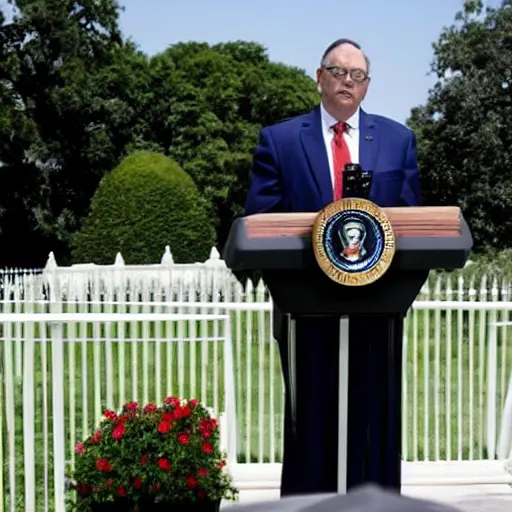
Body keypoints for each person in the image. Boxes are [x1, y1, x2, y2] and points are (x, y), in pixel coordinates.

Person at [244, 39, 421, 496]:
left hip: (377, 312)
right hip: (307, 311)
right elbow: (259, 222)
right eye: (338, 71)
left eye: (358, 75)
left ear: (367, 86)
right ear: (319, 77)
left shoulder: (398, 140)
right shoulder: (280, 141)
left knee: (373, 423)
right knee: (313, 425)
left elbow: (412, 224)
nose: (348, 81)